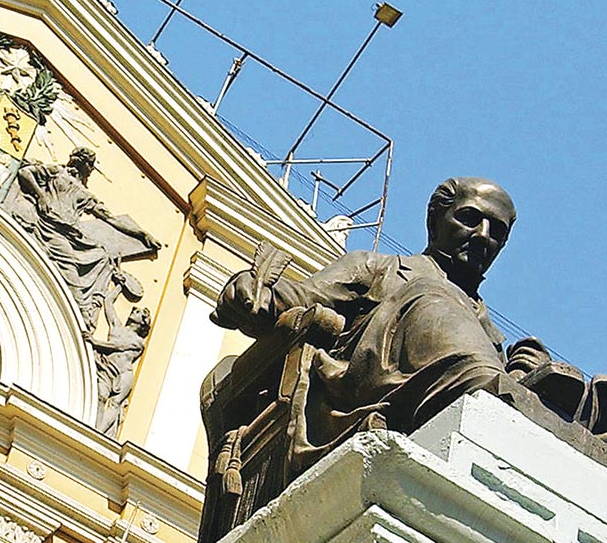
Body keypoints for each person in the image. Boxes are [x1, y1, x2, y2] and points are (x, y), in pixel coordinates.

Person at [212, 177, 522, 469]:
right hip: (357, 396)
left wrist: (522, 370)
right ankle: (497, 392)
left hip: (449, 412)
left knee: (535, 367)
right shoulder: (376, 268)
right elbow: (298, 297)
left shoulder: (491, 334)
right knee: (430, 294)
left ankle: (521, 393)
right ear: (435, 221)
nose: (483, 236)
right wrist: (250, 291)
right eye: (470, 218)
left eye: (496, 232)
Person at [11, 147, 160, 334]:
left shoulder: (86, 194)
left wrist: (142, 234)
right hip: (51, 228)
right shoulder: (57, 172)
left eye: (90, 164)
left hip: (68, 233)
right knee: (69, 267)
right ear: (80, 162)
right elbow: (25, 173)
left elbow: (110, 219)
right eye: (88, 163)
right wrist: (41, 195)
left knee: (102, 256)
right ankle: (79, 316)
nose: (89, 169)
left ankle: (83, 311)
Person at [93, 283, 151, 437]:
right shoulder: (117, 327)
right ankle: (93, 428)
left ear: (143, 322)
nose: (134, 311)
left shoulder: (137, 342)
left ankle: (98, 433)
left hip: (123, 375)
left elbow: (116, 346)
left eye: (138, 312)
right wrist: (120, 286)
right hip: (107, 369)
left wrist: (94, 342)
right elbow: (108, 303)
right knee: (100, 396)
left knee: (114, 403)